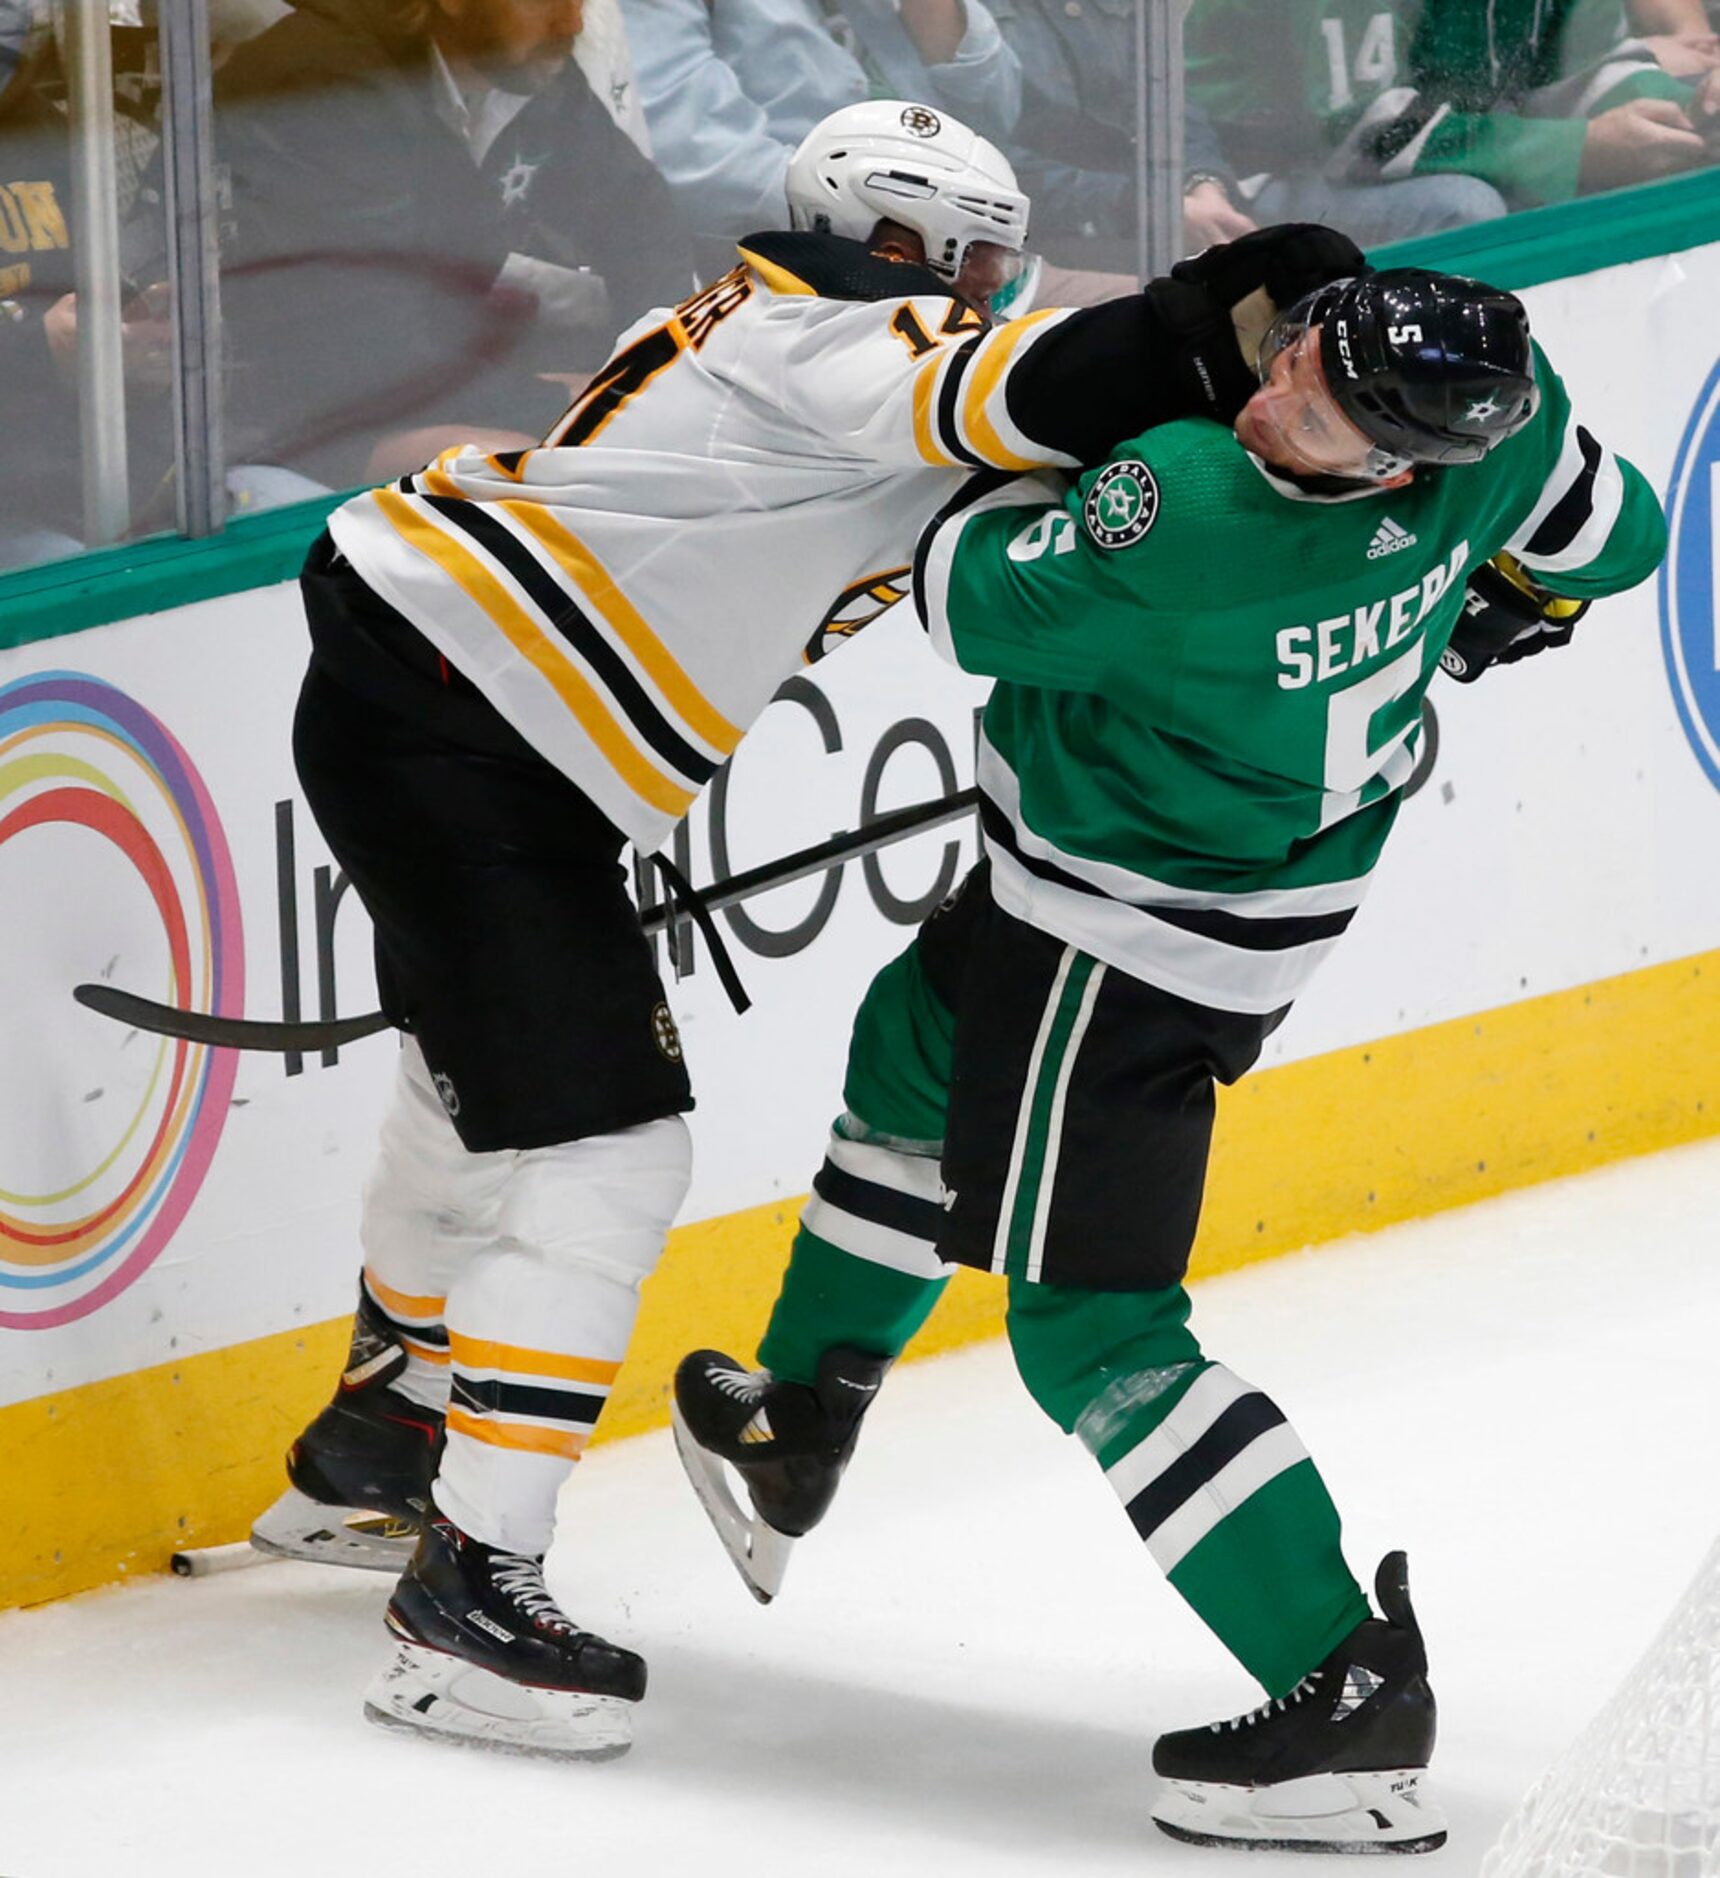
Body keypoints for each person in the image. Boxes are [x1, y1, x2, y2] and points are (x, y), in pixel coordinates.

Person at [269, 92, 1369, 1759]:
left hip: (440, 688)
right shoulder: (826, 344)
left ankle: (383, 1421)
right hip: (466, 726)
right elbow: (1047, 385)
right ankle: (467, 1598)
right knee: (606, 1153)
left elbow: (1040, 444)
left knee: (465, 1084)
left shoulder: (796, 339)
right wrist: (1205, 322)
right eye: (978, 258)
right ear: (900, 244)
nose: (996, 285)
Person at [670, 266, 1668, 1850]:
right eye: (1305, 360)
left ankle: (1342, 1678)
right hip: (1243, 888)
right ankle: (799, 1411)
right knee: (914, 1045)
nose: (1280, 394)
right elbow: (1624, 535)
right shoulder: (1501, 424)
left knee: (1094, 1333)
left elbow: (955, 588)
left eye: (1330, 413)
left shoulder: (1188, 507)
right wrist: (1514, 602)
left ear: (1401, 455)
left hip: (1119, 947)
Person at [212, 0, 693, 491]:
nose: (571, 22)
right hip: (275, 415)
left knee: (649, 443)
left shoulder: (524, 70)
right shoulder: (320, 80)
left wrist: (665, 367)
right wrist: (559, 399)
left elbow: (641, 223)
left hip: (416, 380)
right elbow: (365, 350)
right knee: (541, 472)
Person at [1184, 0, 1718, 243]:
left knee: (1678, 155)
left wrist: (1700, 117)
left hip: (1449, 137)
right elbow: (1360, 132)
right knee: (1466, 209)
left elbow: (1592, 69)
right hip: (1247, 181)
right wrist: (1576, 149)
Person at [618, 0, 1021, 268]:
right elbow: (698, 159)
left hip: (967, 239)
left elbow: (998, 115)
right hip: (797, 271)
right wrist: (907, 226)